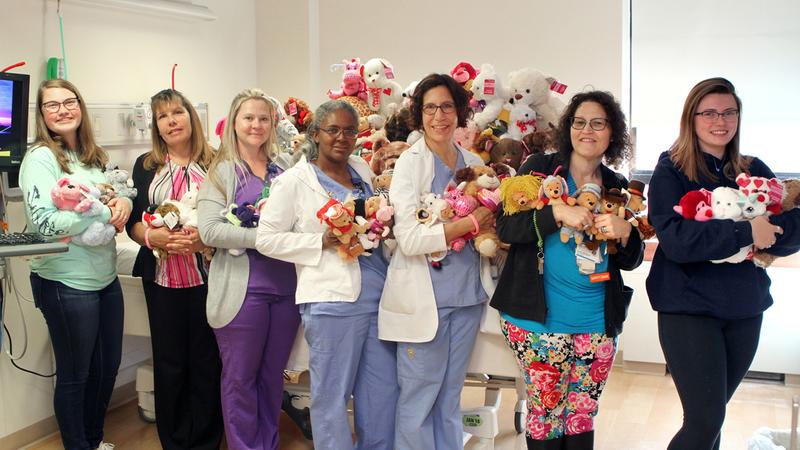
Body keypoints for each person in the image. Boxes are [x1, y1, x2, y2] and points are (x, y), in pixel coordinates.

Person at [646, 77, 800, 450]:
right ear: (692, 117)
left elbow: (793, 229)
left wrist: (767, 230)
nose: (721, 120)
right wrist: (748, 232)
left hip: (744, 310)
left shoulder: (754, 168)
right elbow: (677, 241)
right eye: (710, 112)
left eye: (729, 112)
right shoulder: (671, 170)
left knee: (713, 417)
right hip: (689, 308)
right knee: (704, 419)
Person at [491, 90, 644, 449]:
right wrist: (554, 213)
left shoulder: (618, 187)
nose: (586, 130)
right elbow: (506, 228)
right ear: (568, 128)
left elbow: (631, 260)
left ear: (613, 133)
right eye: (579, 122)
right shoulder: (539, 169)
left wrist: (626, 235)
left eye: (598, 123)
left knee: (581, 415)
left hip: (597, 322)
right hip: (537, 321)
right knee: (546, 416)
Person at [256, 100, 398, 449]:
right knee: (331, 397)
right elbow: (266, 239)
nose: (342, 137)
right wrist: (320, 240)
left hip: (379, 296)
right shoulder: (293, 182)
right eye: (332, 130)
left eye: (350, 130)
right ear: (315, 134)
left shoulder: (363, 169)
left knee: (380, 393)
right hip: (331, 301)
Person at [379, 73, 496, 450]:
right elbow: (410, 238)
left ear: (459, 111)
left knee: (449, 397)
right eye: (430, 107)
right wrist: (468, 222)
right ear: (419, 113)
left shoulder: (473, 161)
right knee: (418, 397)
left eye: (447, 106)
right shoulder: (410, 164)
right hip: (424, 298)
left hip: (466, 298)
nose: (439, 115)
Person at [20, 79, 131, 450]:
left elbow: (117, 191)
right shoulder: (40, 158)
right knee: (75, 375)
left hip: (105, 278)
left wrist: (122, 206)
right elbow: (44, 223)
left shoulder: (92, 156)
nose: (63, 110)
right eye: (52, 105)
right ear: (41, 115)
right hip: (66, 283)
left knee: (106, 370)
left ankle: (93, 441)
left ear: (81, 107)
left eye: (70, 102)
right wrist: (99, 214)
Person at [197, 88, 300, 450]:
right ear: (235, 124)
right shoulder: (223, 172)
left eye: (263, 118)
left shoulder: (284, 169)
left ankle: (267, 444)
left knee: (273, 378)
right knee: (240, 379)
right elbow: (209, 230)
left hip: (286, 289)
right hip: (243, 293)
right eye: (248, 117)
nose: (256, 124)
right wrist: (266, 238)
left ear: (273, 124)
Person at [126, 89, 223, 450]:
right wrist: (155, 237)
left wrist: (206, 239)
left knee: (206, 361)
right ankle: (175, 441)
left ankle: (208, 440)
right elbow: (133, 221)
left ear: (190, 116)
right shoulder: (146, 165)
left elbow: (233, 216)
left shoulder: (217, 161)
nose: (171, 120)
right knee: (170, 363)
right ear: (157, 126)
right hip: (162, 279)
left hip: (209, 277)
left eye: (177, 112)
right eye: (162, 116)